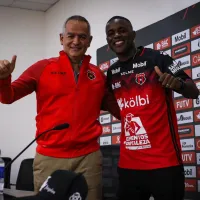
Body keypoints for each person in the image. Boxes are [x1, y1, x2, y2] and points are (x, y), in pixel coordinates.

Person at [0, 15, 120, 200]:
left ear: (89, 41)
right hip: (49, 157)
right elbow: (8, 97)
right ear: (61, 38)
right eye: (71, 35)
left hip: (88, 157)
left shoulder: (97, 75)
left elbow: (121, 110)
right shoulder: (42, 68)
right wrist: (3, 79)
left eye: (82, 37)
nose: (76, 41)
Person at [105, 16, 199, 200]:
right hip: (128, 166)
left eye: (122, 30)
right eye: (111, 33)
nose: (117, 35)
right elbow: (120, 111)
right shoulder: (112, 72)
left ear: (133, 34)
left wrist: (177, 84)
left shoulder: (157, 59)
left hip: (164, 164)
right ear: (108, 40)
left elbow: (193, 91)